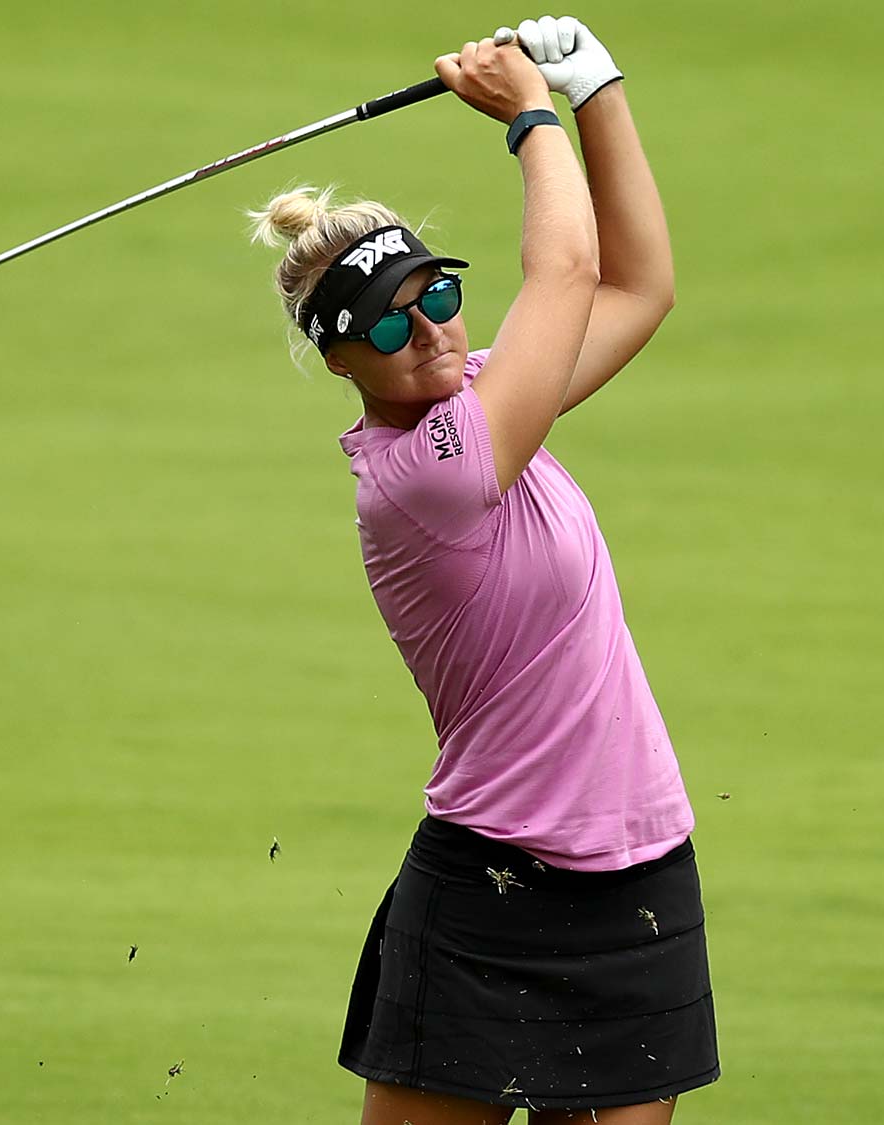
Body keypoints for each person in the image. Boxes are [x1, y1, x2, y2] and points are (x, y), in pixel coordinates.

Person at [246, 17, 715, 1125]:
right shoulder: (427, 477)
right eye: (382, 323)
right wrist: (527, 117)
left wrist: (596, 91)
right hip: (490, 890)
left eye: (434, 294)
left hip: (640, 868)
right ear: (336, 358)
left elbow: (638, 289)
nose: (425, 333)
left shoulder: (483, 401)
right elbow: (567, 265)